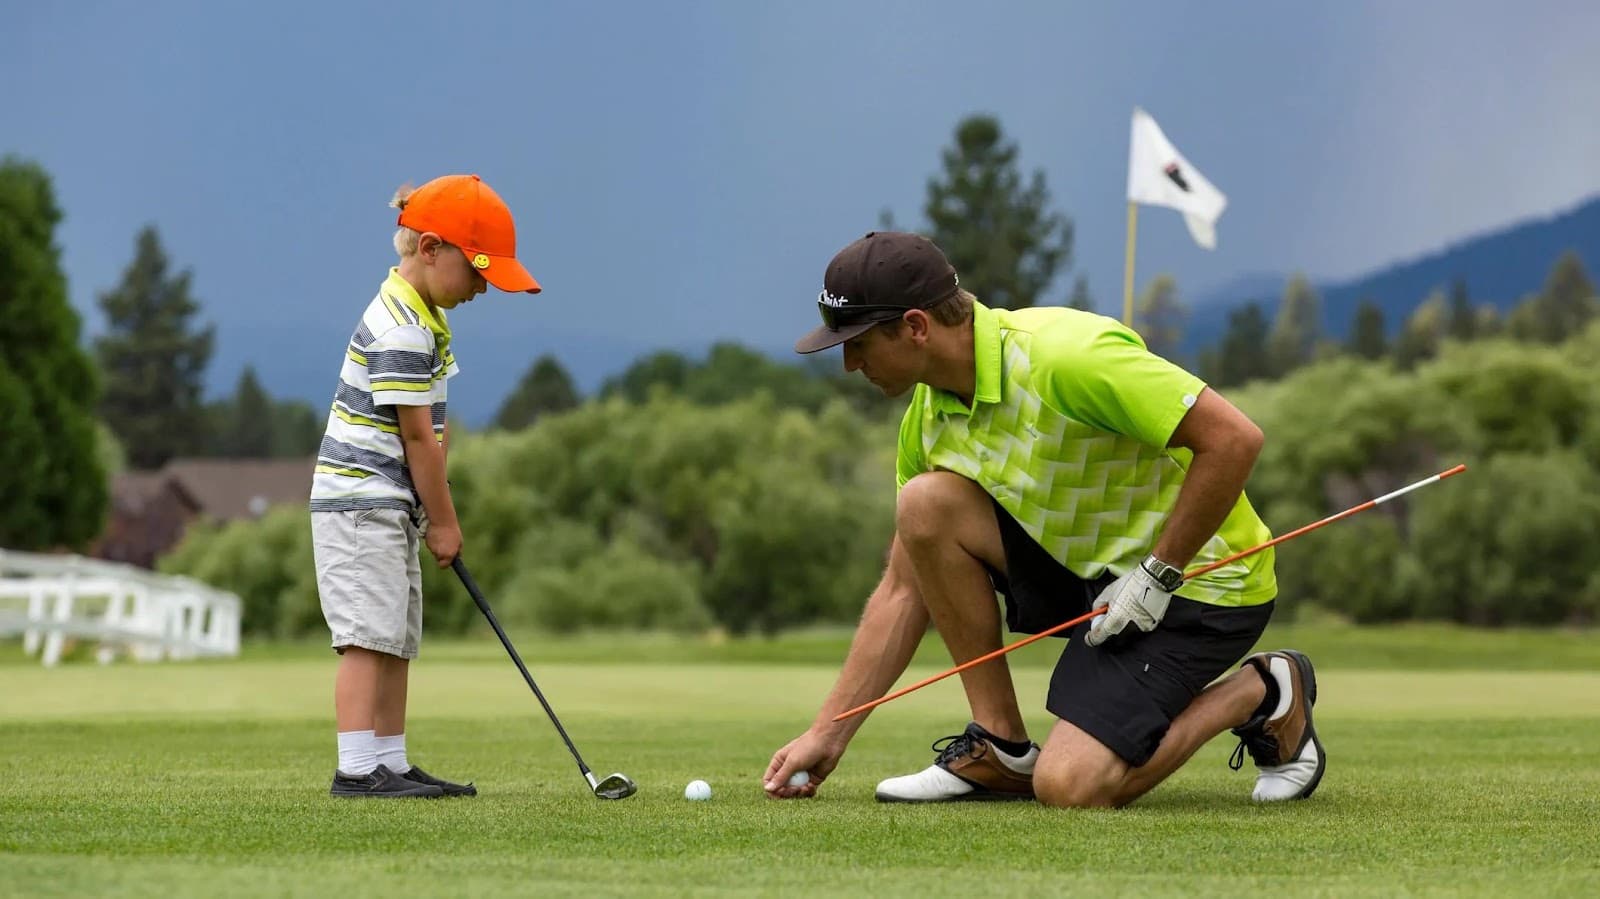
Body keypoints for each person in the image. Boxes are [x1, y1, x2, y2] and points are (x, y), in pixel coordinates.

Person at [762, 231, 1323, 807]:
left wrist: (1160, 571)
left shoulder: (1063, 358)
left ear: (916, 326)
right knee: (924, 506)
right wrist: (829, 732)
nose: (850, 365)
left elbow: (1234, 439)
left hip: (1204, 582)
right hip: (1095, 577)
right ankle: (1000, 747)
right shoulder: (927, 420)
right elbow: (903, 588)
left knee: (1070, 787)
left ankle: (1264, 690)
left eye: (858, 344)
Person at [310, 174, 542, 798]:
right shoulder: (401, 331)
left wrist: (429, 505)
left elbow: (433, 434)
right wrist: (445, 521)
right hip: (360, 504)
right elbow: (417, 441)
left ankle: (390, 760)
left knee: (394, 635)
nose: (481, 289)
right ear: (432, 248)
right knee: (366, 636)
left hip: (387, 504)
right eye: (477, 272)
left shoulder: (423, 318)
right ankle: (357, 769)